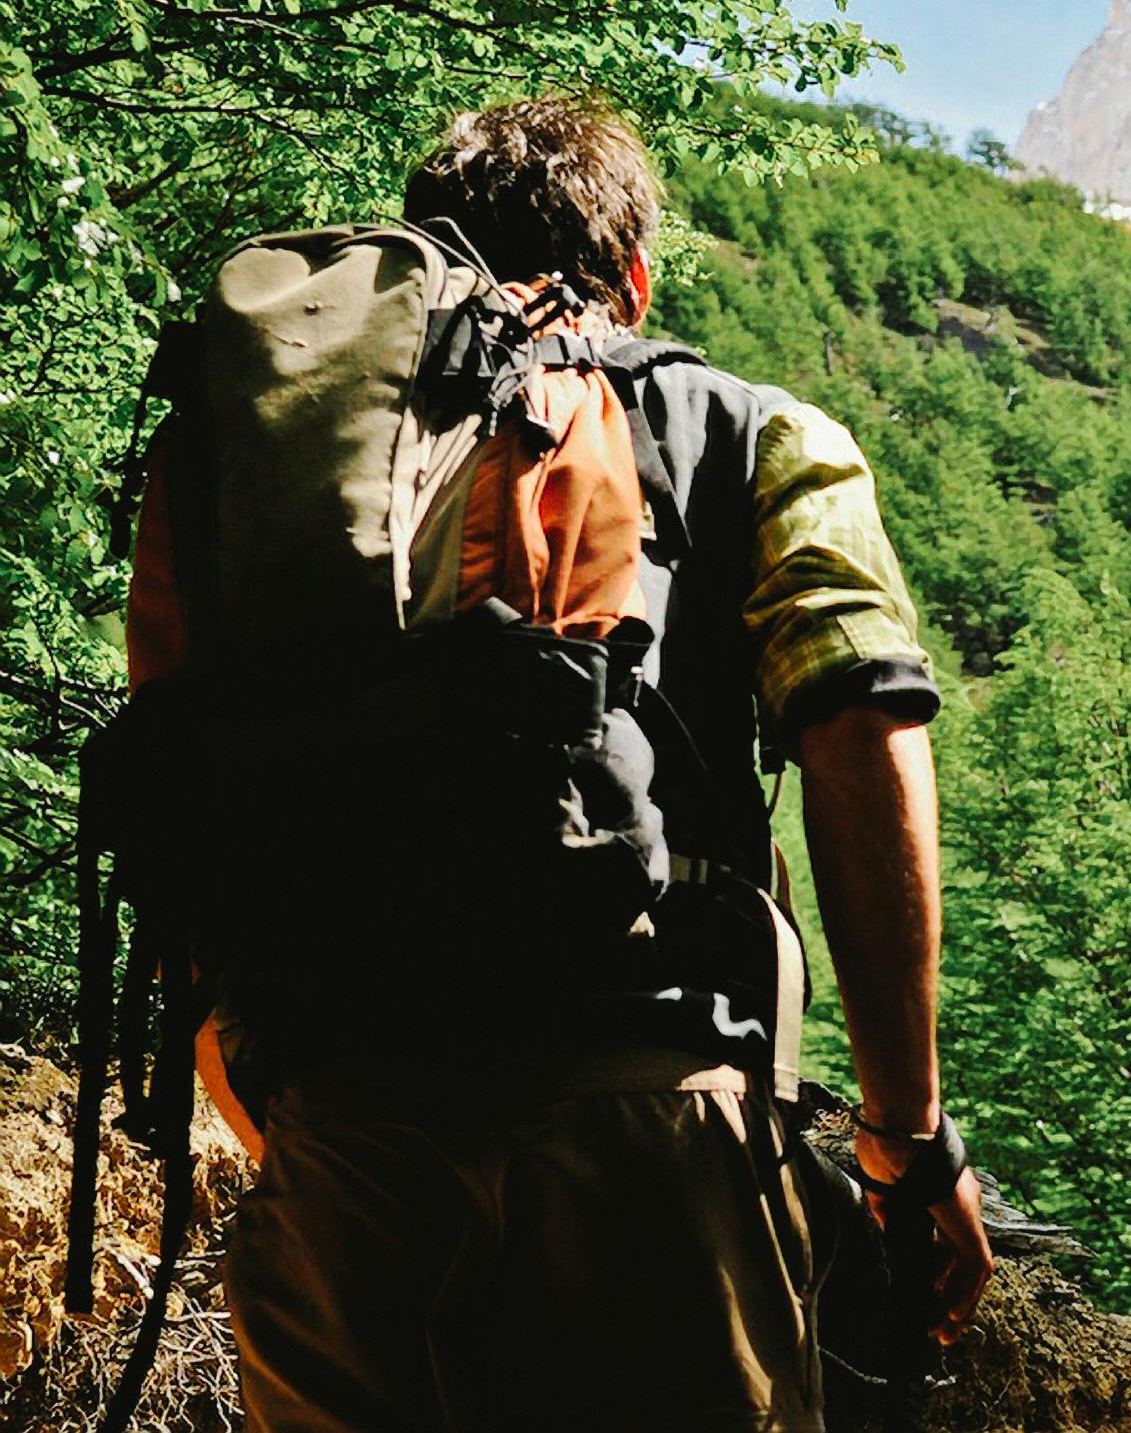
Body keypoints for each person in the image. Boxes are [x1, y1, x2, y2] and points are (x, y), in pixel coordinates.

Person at [121, 97, 993, 1432]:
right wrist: (908, 1141)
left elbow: (187, 778)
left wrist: (287, 1114)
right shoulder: (743, 429)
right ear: (633, 274)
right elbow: (865, 725)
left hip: (338, 1141)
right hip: (642, 1136)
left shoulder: (278, 466)